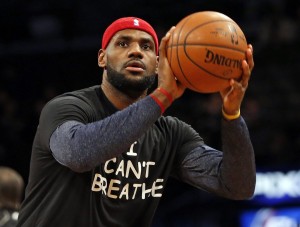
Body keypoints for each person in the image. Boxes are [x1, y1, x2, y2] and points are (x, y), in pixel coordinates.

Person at [17, 17, 256, 227]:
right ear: (102, 58)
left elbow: (238, 185)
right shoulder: (68, 107)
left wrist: (232, 113)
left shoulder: (170, 134)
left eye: (147, 46)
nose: (136, 51)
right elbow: (78, 154)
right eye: (123, 43)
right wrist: (163, 96)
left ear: (158, 63)